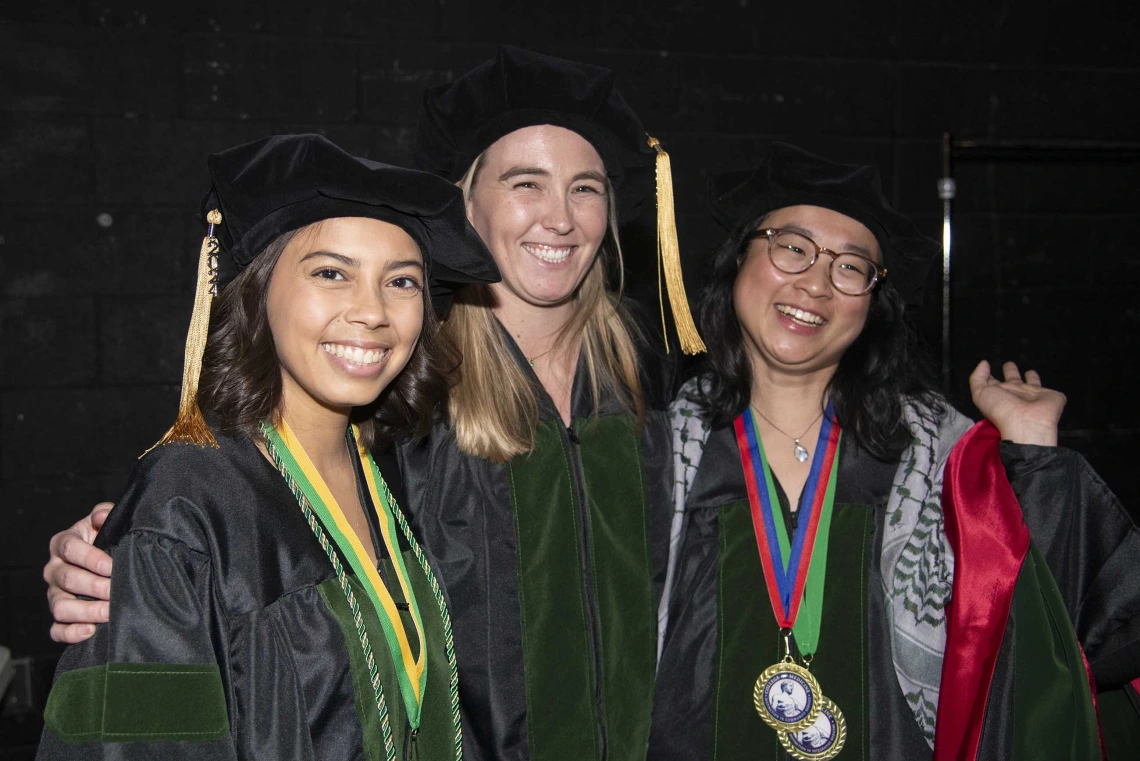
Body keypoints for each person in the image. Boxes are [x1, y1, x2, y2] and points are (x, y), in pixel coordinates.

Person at [43, 48, 701, 761]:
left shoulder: (650, 380)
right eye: (525, 182)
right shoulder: (411, 395)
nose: (560, 217)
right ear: (464, 201)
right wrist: (134, 563)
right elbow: (246, 516)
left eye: (586, 188)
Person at [649, 143, 1140, 760]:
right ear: (739, 259)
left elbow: (1051, 642)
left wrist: (1032, 455)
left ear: (872, 304)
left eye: (851, 267)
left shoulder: (942, 461)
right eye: (792, 247)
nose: (817, 283)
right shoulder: (656, 453)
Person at [36, 133, 499, 760]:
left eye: (403, 282)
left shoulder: (402, 471)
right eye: (331, 273)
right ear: (259, 291)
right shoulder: (187, 500)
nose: (372, 312)